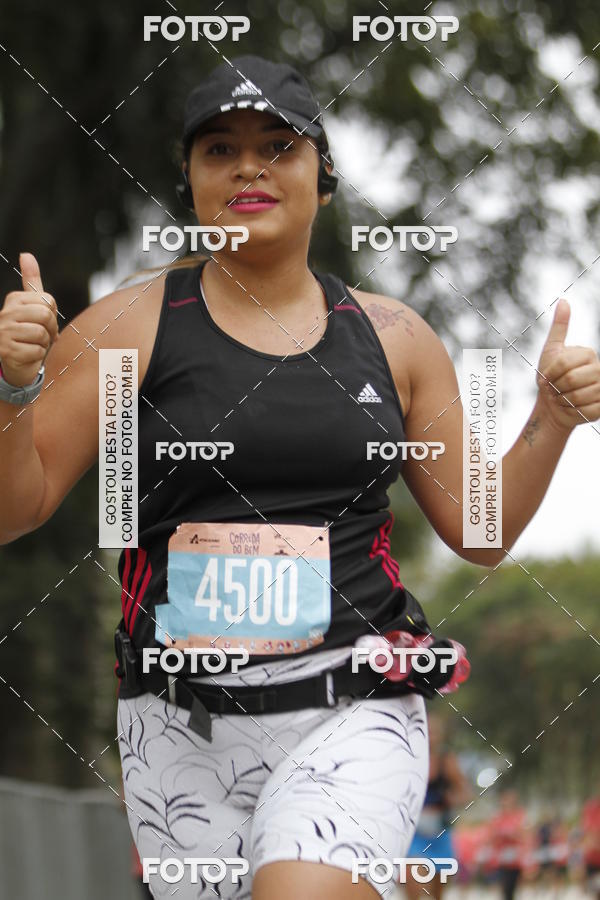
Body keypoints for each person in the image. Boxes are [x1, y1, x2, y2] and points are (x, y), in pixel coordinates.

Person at [0, 52, 599, 900]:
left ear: (324, 178)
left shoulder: (396, 339)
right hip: (177, 725)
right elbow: (13, 510)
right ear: (191, 181)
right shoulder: (125, 329)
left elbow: (482, 531)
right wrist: (9, 390)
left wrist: (551, 419)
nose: (249, 166)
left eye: (280, 146)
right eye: (220, 149)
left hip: (353, 702)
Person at [403, 714, 471, 899]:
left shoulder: (447, 761)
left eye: (435, 732)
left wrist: (453, 798)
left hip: (440, 834)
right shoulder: (409, 757)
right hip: (414, 835)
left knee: (437, 894)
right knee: (414, 886)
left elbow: (465, 793)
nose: (431, 736)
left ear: (441, 736)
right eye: (427, 731)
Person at [487, 790, 528, 900]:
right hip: (502, 857)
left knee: (513, 886)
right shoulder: (497, 816)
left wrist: (512, 835)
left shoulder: (519, 815)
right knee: (505, 886)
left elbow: (523, 833)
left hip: (515, 857)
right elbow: (492, 834)